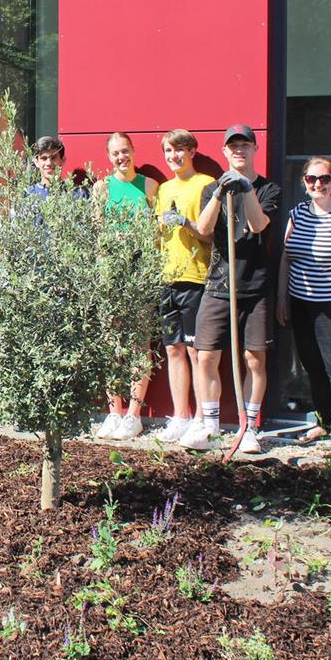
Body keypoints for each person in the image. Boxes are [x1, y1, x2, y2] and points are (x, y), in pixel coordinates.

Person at [187, 125, 281, 452]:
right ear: (224, 151)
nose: (239, 150)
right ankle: (210, 425)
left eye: (245, 145)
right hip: (218, 284)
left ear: (255, 148)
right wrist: (218, 194)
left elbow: (258, 225)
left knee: (254, 358)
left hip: (254, 286)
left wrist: (246, 189)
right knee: (206, 356)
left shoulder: (269, 189)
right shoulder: (212, 188)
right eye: (233, 146)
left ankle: (249, 427)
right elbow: (203, 228)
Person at [275, 157, 331, 456]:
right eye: (311, 179)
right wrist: (283, 298)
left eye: (324, 179)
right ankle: (323, 421)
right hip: (302, 302)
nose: (318, 184)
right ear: (304, 182)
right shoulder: (297, 213)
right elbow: (287, 259)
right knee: (312, 364)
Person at [149, 130, 215, 444]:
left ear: (191, 152)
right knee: (173, 349)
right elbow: (160, 235)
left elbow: (211, 235)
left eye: (179, 150)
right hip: (167, 278)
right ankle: (180, 416)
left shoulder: (206, 184)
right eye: (168, 151)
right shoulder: (163, 189)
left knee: (195, 352)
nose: (173, 156)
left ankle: (202, 418)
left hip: (195, 278)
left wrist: (185, 223)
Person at [90, 132, 157, 440]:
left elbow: (156, 235)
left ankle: (134, 414)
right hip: (110, 276)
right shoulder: (101, 188)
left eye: (125, 151)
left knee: (138, 346)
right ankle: (114, 412)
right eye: (115, 153)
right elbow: (96, 232)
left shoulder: (149, 187)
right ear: (109, 157)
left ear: (133, 151)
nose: (121, 157)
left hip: (139, 275)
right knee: (110, 346)